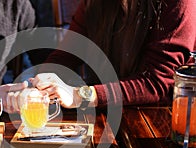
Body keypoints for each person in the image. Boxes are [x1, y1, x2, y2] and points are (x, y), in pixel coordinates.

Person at [27, 0, 196, 110]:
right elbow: (66, 55)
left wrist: (80, 95)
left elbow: (157, 82)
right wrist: (40, 85)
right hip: (109, 113)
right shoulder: (94, 4)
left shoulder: (179, 3)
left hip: (159, 124)